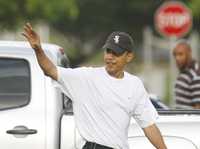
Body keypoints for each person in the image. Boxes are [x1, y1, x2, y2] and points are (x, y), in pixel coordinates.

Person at [22, 23, 167, 149]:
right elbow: (51, 70)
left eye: (116, 53)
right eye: (108, 51)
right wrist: (38, 49)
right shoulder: (86, 77)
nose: (109, 57)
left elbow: (149, 126)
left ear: (129, 56)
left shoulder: (134, 84)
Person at [173, 40, 200, 109]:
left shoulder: (195, 74)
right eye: (175, 55)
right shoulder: (184, 72)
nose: (177, 58)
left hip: (189, 119)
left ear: (189, 53)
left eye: (180, 54)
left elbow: (198, 108)